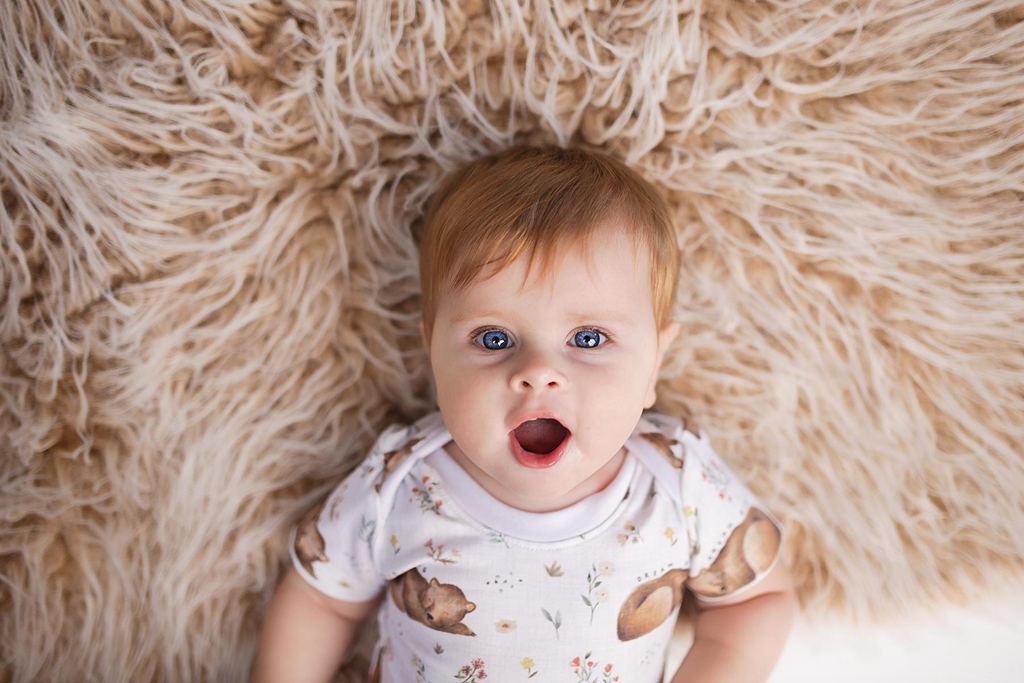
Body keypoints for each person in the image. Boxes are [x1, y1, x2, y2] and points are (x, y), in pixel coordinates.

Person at [251, 146, 797, 683]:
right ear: (433, 353)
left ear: (654, 365)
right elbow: (321, 602)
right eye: (494, 338)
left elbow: (756, 602)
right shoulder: (398, 483)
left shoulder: (678, 482)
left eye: (587, 338)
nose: (538, 371)